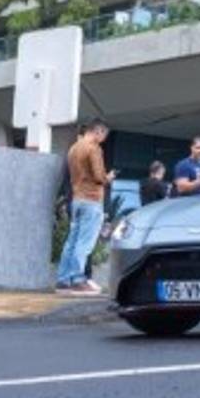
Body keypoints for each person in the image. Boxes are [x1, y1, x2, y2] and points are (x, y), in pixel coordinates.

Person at [58, 120, 116, 295]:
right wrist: (108, 177)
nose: (103, 139)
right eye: (104, 135)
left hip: (76, 199)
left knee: (72, 241)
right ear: (98, 132)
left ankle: (63, 280)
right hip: (91, 200)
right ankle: (77, 279)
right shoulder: (94, 148)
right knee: (85, 243)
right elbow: (99, 177)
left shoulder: (73, 148)